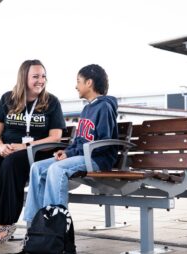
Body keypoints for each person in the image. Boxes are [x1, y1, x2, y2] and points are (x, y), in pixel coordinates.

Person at [0, 59, 66, 244]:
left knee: (11, 163)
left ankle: (5, 222)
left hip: (37, 151)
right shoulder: (8, 98)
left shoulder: (51, 102)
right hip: (8, 148)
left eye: (43, 76)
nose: (41, 80)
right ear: (23, 78)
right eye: (35, 76)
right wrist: (0, 146)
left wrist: (23, 147)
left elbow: (55, 138)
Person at [23, 64, 118, 224]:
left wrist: (70, 154)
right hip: (81, 156)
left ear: (89, 82)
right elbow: (80, 141)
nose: (76, 86)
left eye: (78, 81)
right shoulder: (87, 109)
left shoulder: (105, 107)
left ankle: (55, 226)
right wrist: (66, 152)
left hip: (97, 160)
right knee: (37, 168)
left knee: (56, 169)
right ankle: (35, 225)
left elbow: (103, 143)